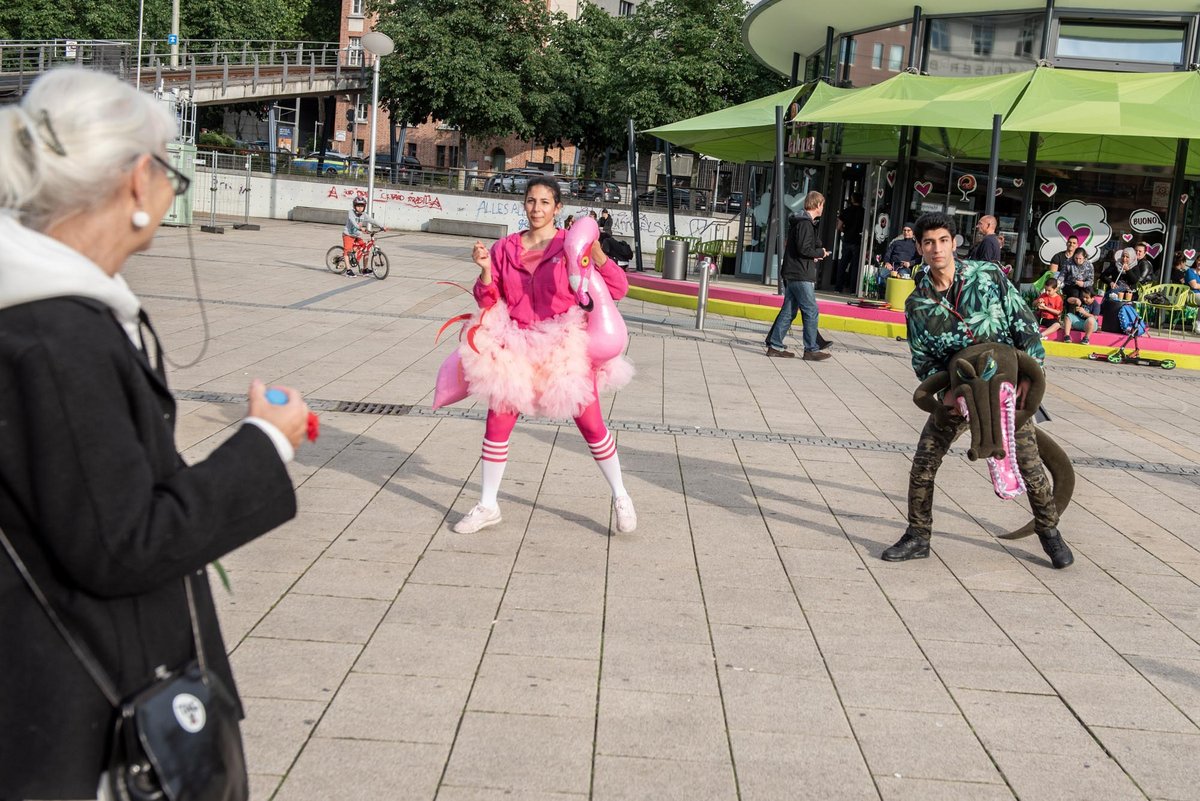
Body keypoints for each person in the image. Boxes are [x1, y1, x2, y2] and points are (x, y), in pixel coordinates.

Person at [0, 67, 310, 800]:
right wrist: (266, 443)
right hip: (79, 728)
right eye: (171, 170)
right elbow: (122, 543)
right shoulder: (55, 338)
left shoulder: (49, 313)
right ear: (139, 180)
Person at [884, 212, 1073, 570]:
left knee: (1030, 465)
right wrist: (946, 395)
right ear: (920, 247)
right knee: (924, 462)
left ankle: (1049, 532)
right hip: (959, 394)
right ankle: (918, 535)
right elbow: (922, 358)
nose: (937, 248)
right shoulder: (918, 304)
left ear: (954, 243)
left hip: (1004, 391)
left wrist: (1030, 376)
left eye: (943, 240)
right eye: (928, 242)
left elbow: (1024, 324)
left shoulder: (987, 276)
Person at [454, 177, 637, 534]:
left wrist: (596, 252)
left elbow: (618, 288)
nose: (536, 209)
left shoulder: (569, 246)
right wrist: (486, 271)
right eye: (530, 201)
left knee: (591, 424)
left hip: (563, 346)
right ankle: (488, 505)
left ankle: (621, 496)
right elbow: (488, 301)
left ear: (557, 208)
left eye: (544, 202)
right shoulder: (505, 248)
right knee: (498, 422)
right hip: (516, 344)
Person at [766, 191, 832, 361]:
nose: (823, 208)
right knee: (811, 310)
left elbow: (802, 248)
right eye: (822, 205)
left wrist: (815, 253)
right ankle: (811, 349)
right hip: (800, 273)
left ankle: (775, 346)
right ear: (817, 205)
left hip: (794, 271)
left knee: (789, 311)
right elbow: (804, 248)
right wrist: (819, 253)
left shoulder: (802, 222)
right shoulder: (805, 224)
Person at [342, 196, 386, 277]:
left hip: (356, 236)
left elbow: (372, 221)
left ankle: (365, 269)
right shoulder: (351, 212)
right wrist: (360, 228)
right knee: (347, 251)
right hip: (348, 235)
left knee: (366, 249)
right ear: (354, 206)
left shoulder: (363, 215)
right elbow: (353, 222)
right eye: (358, 206)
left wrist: (382, 226)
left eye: (362, 206)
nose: (360, 208)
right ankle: (348, 270)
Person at [834, 192, 864, 293]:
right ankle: (853, 289)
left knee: (843, 264)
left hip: (847, 240)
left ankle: (838, 288)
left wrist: (845, 231)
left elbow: (839, 226)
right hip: (858, 240)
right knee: (855, 266)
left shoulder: (846, 211)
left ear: (852, 199)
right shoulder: (863, 212)